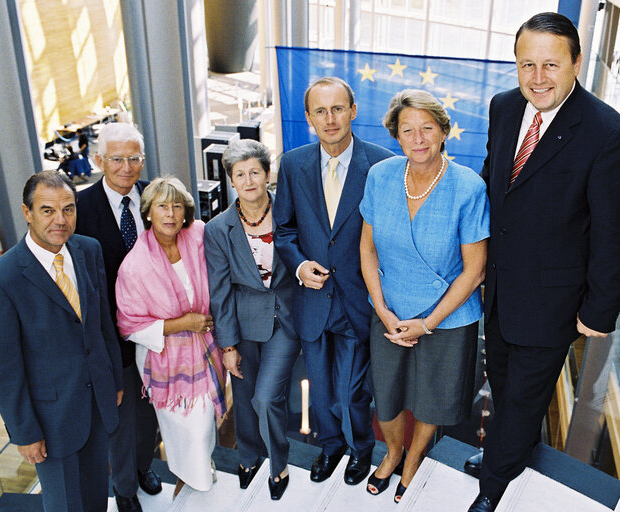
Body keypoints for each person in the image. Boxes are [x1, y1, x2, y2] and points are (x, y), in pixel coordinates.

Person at [465, 13, 620, 512]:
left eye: (550, 65)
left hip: (553, 300)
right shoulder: (503, 107)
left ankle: (494, 486)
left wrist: (598, 310)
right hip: (497, 288)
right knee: (500, 380)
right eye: (527, 64)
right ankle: (509, 452)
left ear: (576, 63)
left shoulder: (609, 134)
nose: (537, 77)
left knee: (522, 399)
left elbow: (615, 233)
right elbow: (495, 178)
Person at [360, 89, 489, 503]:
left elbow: (475, 271)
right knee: (388, 396)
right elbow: (367, 249)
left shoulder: (468, 187)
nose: (417, 138)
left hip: (448, 317)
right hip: (390, 309)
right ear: (396, 136)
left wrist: (428, 323)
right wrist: (381, 308)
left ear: (444, 131)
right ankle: (393, 451)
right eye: (407, 130)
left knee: (433, 400)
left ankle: (414, 458)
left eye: (427, 128)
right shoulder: (381, 175)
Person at [0, 170, 123, 512]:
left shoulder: (88, 250)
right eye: (47, 210)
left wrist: (113, 379)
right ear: (27, 213)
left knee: (96, 496)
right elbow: (4, 372)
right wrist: (24, 432)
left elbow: (101, 323)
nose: (61, 220)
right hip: (50, 424)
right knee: (66, 505)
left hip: (98, 405)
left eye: (68, 209)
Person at [274, 76, 394, 485]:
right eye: (320, 111)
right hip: (312, 299)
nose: (330, 119)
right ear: (308, 118)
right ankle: (331, 447)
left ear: (354, 111)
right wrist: (298, 265)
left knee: (354, 391)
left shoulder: (381, 163)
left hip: (360, 299)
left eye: (338, 108)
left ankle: (362, 450)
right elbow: (285, 230)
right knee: (321, 389)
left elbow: (388, 237)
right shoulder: (292, 164)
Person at [116, 176, 226, 496]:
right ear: (148, 212)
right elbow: (129, 325)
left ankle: (199, 465)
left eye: (177, 206)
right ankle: (188, 473)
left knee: (204, 420)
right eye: (162, 206)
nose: (170, 213)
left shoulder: (199, 236)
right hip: (163, 356)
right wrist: (183, 323)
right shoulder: (134, 265)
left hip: (206, 346)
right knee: (182, 427)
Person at [204, 139, 301, 500]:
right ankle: (248, 457)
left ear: (267, 174)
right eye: (240, 174)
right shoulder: (217, 229)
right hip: (243, 324)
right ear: (231, 180)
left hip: (286, 318)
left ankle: (279, 464)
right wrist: (226, 345)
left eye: (254, 172)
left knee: (265, 398)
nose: (248, 181)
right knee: (243, 399)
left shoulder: (290, 213)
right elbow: (220, 290)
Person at [76, 122, 160, 512]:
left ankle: (144, 467)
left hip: (159, 333)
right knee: (122, 420)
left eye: (134, 158)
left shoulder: (155, 198)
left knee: (150, 413)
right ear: (98, 160)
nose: (127, 167)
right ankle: (125, 490)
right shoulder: (79, 209)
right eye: (117, 159)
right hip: (112, 336)